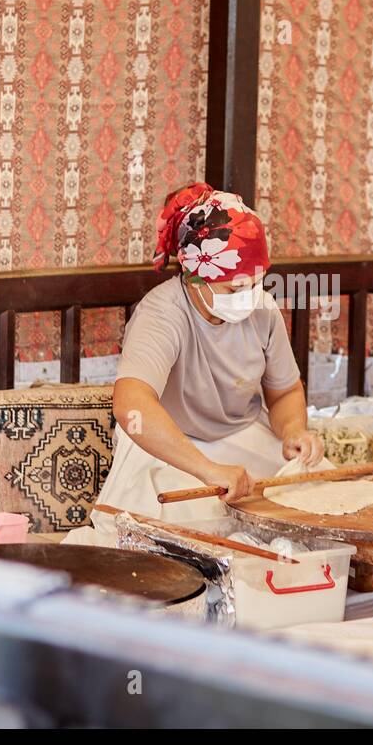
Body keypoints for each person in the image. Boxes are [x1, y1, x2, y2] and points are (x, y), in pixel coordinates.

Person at [66, 183, 325, 545]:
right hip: (168, 447)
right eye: (234, 289)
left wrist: (294, 430)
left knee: (317, 498)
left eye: (255, 283)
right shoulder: (162, 314)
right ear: (195, 277)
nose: (248, 296)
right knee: (191, 532)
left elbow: (284, 392)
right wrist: (208, 470)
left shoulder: (262, 310)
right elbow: (132, 406)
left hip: (240, 436)